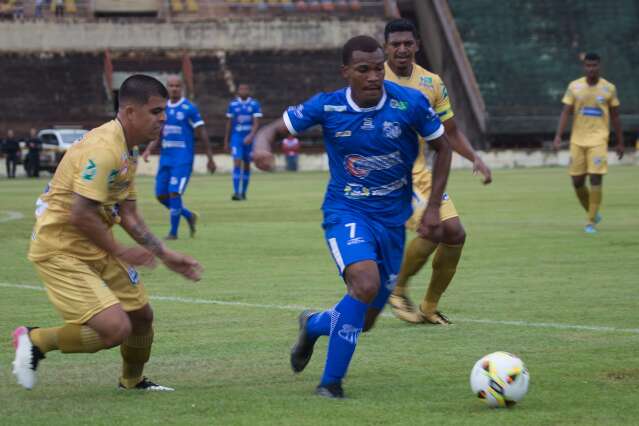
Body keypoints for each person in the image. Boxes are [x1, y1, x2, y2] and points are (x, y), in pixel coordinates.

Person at [254, 35, 452, 398]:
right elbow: (273, 129)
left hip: (392, 220)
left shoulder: (410, 103)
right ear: (346, 72)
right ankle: (330, 384)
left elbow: (443, 146)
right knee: (363, 285)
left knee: (368, 317)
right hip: (346, 211)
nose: (374, 76)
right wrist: (262, 147)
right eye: (364, 69)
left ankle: (313, 324)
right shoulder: (327, 107)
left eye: (379, 68)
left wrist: (435, 206)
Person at [12, 75, 203, 391]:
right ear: (129, 112)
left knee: (141, 316)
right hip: (60, 247)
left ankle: (132, 381)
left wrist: (166, 255)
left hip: (94, 242)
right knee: (115, 329)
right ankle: (35, 340)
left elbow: (128, 214)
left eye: (164, 111)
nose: (163, 119)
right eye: (155, 111)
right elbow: (81, 214)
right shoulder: (103, 149)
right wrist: (122, 250)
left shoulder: (127, 149)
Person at [383, 19, 492, 325]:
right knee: (433, 229)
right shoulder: (374, 79)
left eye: (408, 43)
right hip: (389, 174)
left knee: (455, 232)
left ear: (417, 45)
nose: (402, 49)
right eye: (396, 44)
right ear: (386, 48)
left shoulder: (431, 83)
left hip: (419, 172)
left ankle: (429, 306)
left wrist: (474, 157)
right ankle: (397, 289)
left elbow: (450, 131)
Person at [553, 52, 624, 234]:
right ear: (584, 67)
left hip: (599, 140)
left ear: (599, 66)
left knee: (595, 177)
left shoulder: (609, 88)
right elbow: (565, 112)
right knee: (577, 182)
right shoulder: (575, 87)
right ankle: (592, 211)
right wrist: (558, 136)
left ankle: (590, 222)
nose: (591, 69)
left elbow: (615, 116)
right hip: (578, 140)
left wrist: (620, 142)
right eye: (588, 66)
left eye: (594, 66)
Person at [142, 75, 215, 240]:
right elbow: (159, 132)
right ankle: (188, 215)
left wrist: (210, 158)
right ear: (166, 87)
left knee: (174, 193)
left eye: (177, 85)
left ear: (182, 88)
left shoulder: (189, 108)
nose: (174, 88)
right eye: (171, 85)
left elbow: (201, 131)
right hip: (166, 158)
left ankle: (173, 233)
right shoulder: (163, 108)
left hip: (182, 158)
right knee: (161, 195)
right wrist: (148, 149)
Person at [223, 83, 262, 200]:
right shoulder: (233, 105)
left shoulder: (254, 104)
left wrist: (251, 135)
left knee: (246, 165)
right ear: (238, 91)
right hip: (237, 138)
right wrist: (226, 140)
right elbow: (229, 123)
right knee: (237, 162)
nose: (243, 91)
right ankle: (236, 192)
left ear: (249, 91)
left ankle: (244, 192)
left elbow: (256, 123)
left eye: (245, 89)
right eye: (241, 89)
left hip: (249, 139)